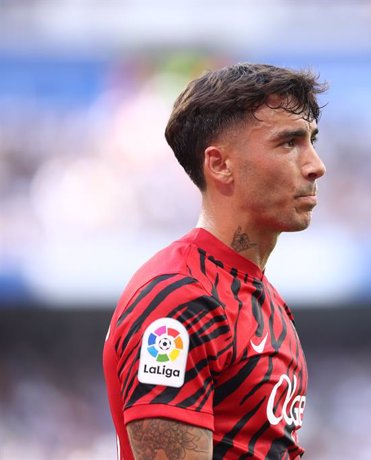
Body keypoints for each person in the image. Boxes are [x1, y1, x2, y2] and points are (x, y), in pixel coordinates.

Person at [103, 63, 327, 459]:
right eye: (289, 143)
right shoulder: (179, 299)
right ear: (220, 164)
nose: (315, 165)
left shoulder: (261, 297)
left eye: (311, 140)